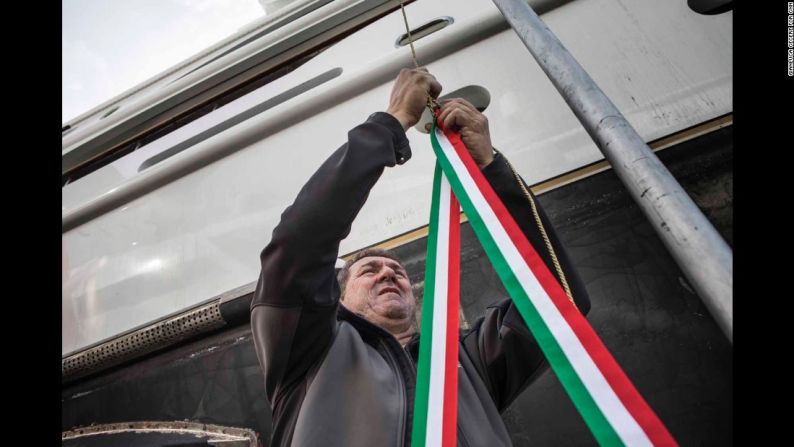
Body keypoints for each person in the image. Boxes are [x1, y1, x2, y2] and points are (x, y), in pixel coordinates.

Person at [250, 68, 590, 447]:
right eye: (369, 270)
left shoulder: (469, 360)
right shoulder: (309, 352)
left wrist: (492, 168)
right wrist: (391, 124)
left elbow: (561, 297)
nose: (389, 274)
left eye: (397, 270)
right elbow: (299, 242)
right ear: (339, 298)